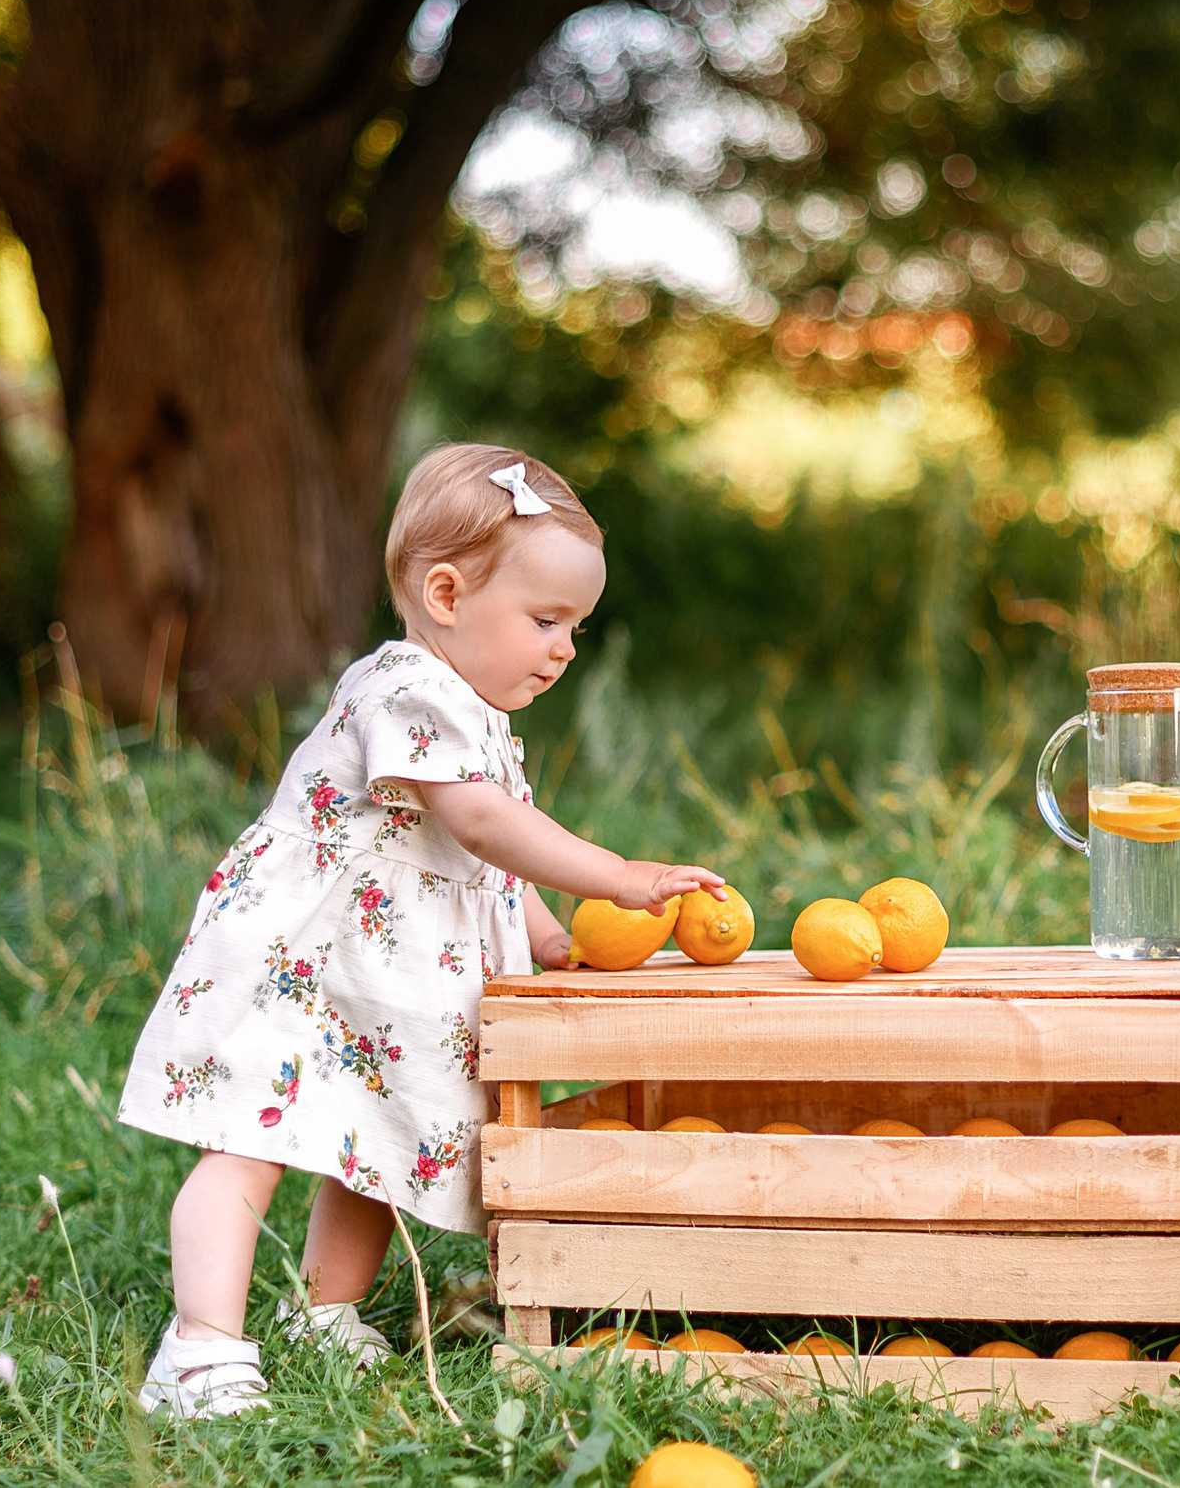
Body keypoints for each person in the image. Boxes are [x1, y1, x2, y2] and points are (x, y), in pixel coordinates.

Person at [116, 443, 726, 1417]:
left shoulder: (476, 718)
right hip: (298, 961)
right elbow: (485, 820)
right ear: (444, 593)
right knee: (247, 1139)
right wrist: (620, 876)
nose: (565, 646)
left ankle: (322, 1312)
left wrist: (552, 937)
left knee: (372, 1142)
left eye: (576, 623)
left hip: (383, 976)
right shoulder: (401, 687)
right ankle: (199, 1345)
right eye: (545, 619)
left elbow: (481, 854)